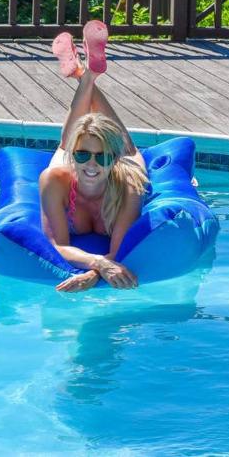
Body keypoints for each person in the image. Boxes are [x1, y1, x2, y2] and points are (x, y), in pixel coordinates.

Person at [40, 21, 150, 293]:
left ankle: (84, 74)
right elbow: (56, 245)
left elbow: (119, 250)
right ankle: (85, 74)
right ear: (75, 155)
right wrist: (99, 264)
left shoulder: (129, 187)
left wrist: (91, 275)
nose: (91, 163)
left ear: (113, 158)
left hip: (125, 168)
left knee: (127, 146)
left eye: (102, 157)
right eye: (82, 154)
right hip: (70, 172)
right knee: (66, 143)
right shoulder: (54, 180)